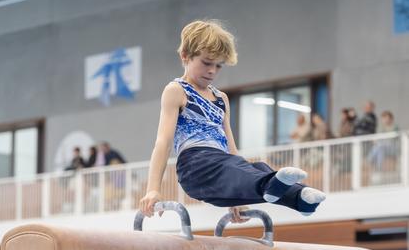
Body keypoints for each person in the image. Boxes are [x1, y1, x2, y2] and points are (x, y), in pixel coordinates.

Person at [139, 19, 325, 221]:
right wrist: (153, 189)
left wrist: (237, 198)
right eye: (207, 63)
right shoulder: (176, 91)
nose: (212, 71)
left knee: (257, 168)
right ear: (185, 56)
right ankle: (273, 185)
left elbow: (231, 149)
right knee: (241, 170)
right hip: (196, 167)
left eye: (219, 66)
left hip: (221, 167)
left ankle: (300, 199)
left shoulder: (221, 99)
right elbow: (163, 142)